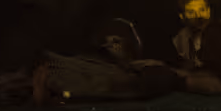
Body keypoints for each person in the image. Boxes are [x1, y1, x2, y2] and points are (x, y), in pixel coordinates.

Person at [31, 18, 184, 103]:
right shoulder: (85, 64)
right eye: (107, 42)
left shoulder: (143, 70)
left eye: (116, 41)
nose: (110, 46)